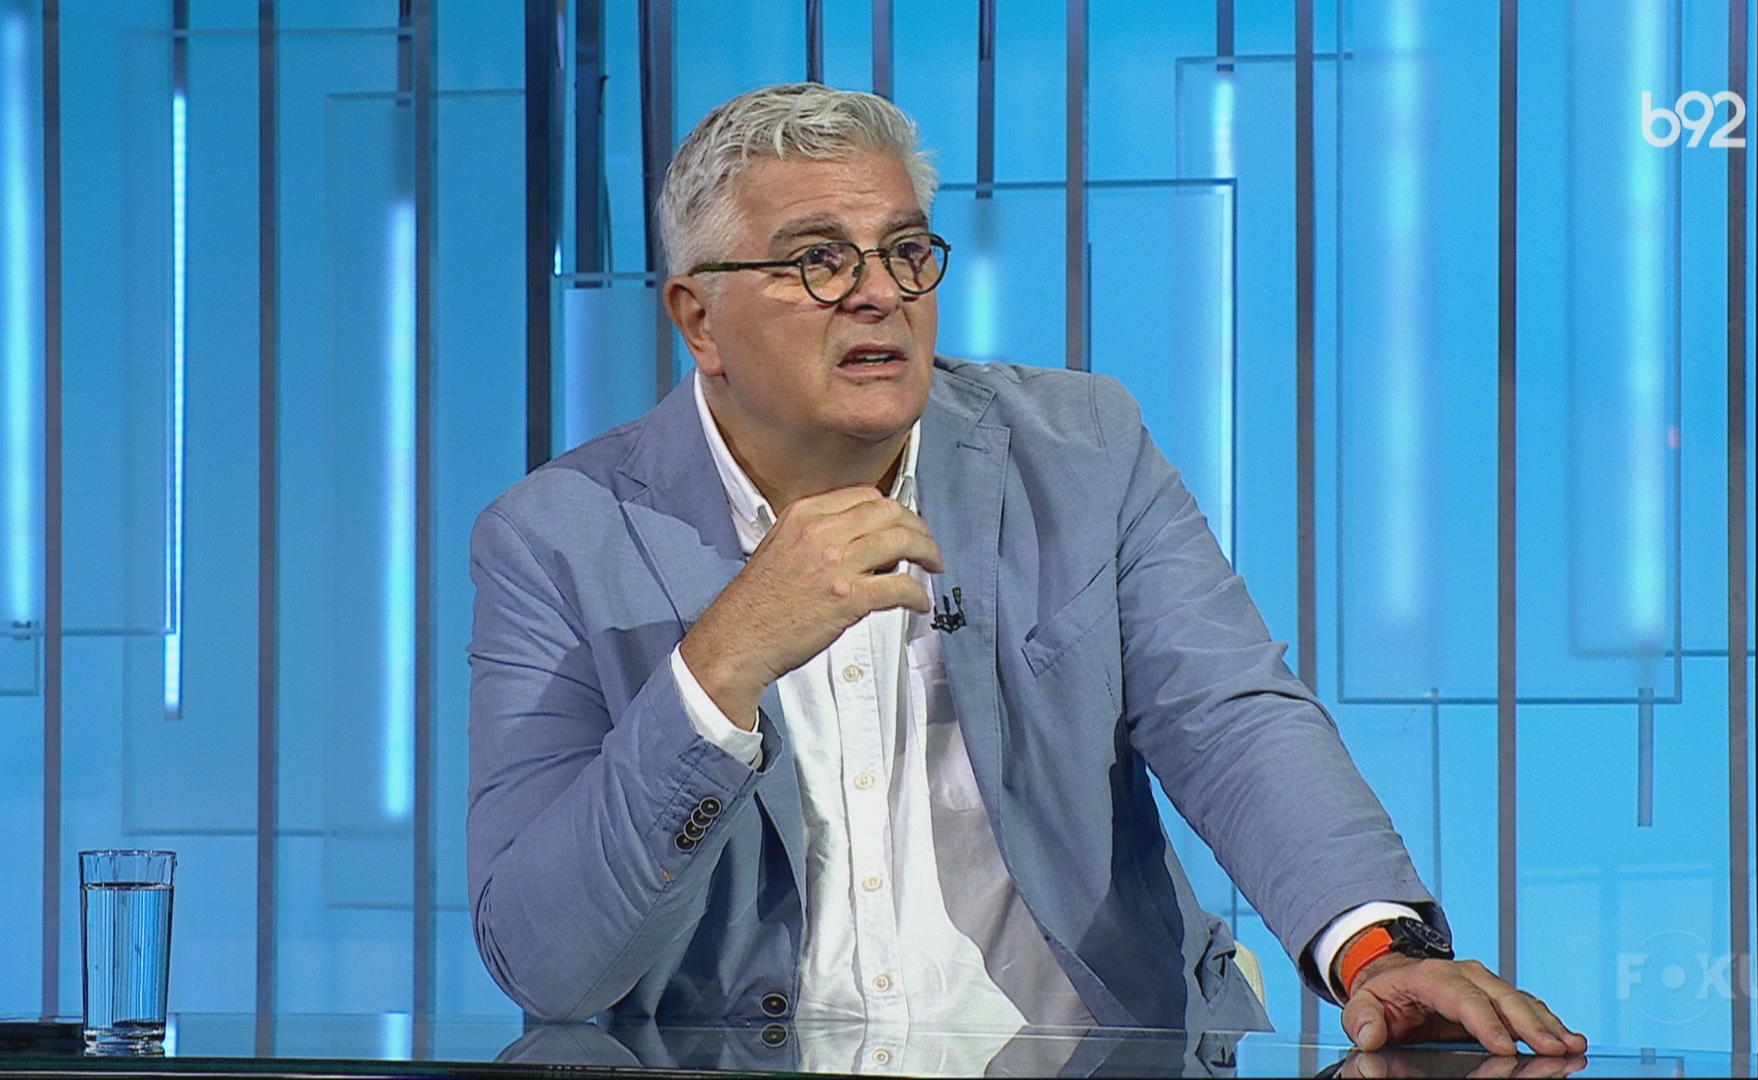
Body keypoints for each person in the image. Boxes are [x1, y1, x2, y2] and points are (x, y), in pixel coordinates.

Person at [467, 82, 1584, 1058]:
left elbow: (1231, 715)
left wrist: (1378, 949)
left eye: (906, 251)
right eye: (818, 260)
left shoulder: (1080, 449)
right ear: (698, 318)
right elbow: (545, 962)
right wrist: (719, 667)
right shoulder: (556, 539)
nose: (878, 292)